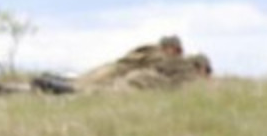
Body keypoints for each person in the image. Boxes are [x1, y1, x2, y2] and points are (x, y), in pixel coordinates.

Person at [27, 35, 212, 95]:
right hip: (119, 78)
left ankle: (41, 84)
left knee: (78, 85)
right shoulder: (166, 59)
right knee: (82, 90)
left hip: (116, 74)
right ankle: (49, 83)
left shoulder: (149, 51)